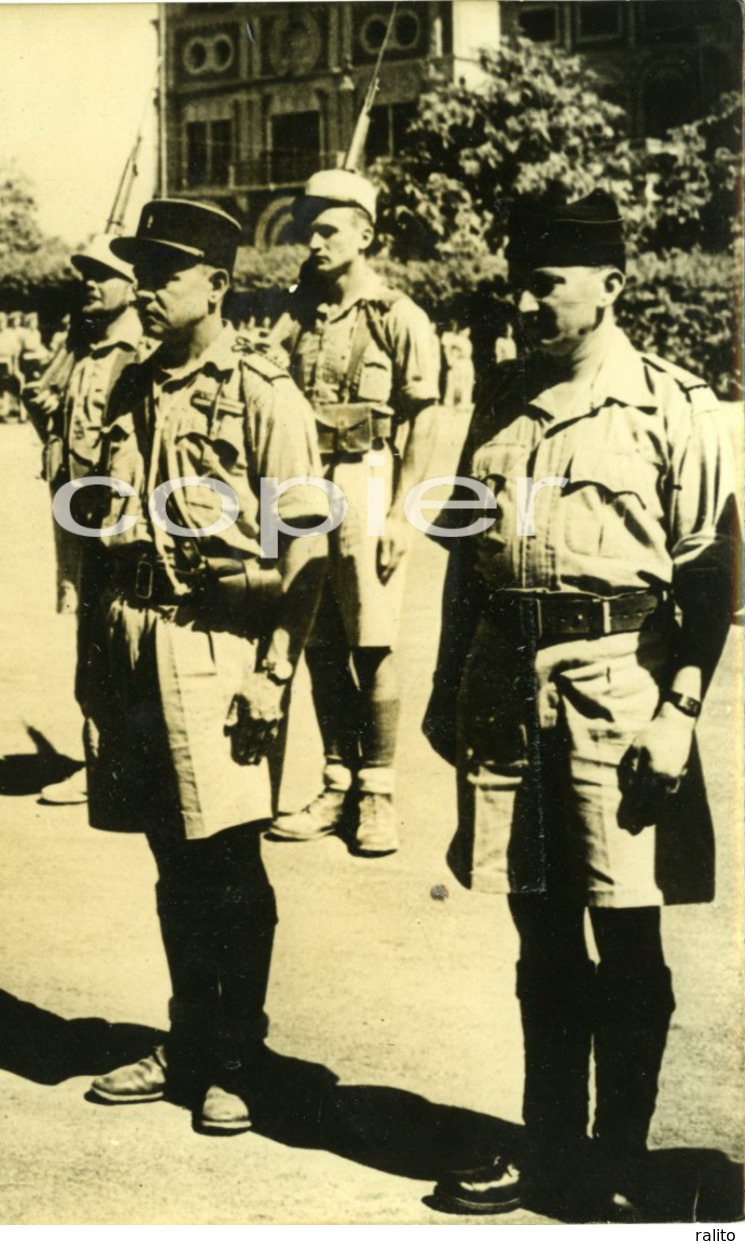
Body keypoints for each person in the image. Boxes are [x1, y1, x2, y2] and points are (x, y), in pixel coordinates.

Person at [423, 190, 738, 1218]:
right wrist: (440, 684)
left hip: (619, 682)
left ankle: (621, 1151)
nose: (523, 301)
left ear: (609, 284)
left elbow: (708, 567)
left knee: (625, 923)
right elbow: (464, 563)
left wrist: (678, 707)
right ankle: (545, 1140)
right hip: (505, 677)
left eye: (544, 282)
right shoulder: (496, 395)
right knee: (536, 926)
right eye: (516, 281)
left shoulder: (668, 403)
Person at [78, 199, 328, 1137]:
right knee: (168, 849)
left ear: (216, 286)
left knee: (227, 855)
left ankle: (236, 1053)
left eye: (163, 273)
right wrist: (94, 667)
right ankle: (185, 1037)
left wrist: (273, 670)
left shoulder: (265, 395)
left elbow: (308, 551)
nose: (142, 289)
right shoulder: (129, 387)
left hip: (219, 645)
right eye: (136, 271)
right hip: (135, 635)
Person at [266, 168, 442, 858]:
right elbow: (259, 366)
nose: (311, 241)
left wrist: (402, 513)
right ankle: (336, 779)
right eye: (306, 229)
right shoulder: (301, 311)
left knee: (372, 644)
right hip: (303, 482)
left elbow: (421, 418)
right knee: (315, 641)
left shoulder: (397, 315)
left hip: (367, 479)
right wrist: (290, 309)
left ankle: (378, 791)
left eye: (326, 229)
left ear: (365, 235)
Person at [28, 235, 145, 808]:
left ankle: (116, 767)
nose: (90, 283)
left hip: (114, 519)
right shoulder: (87, 347)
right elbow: (65, 439)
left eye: (103, 274)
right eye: (86, 274)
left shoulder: (135, 349)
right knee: (91, 637)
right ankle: (102, 762)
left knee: (114, 638)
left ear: (132, 285)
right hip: (77, 515)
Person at [442, 318, 476, 410]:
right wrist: (451, 361)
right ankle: (449, 401)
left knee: (467, 383)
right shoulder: (455, 339)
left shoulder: (466, 341)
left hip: (467, 364)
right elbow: (449, 351)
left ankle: (465, 401)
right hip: (459, 363)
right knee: (454, 382)